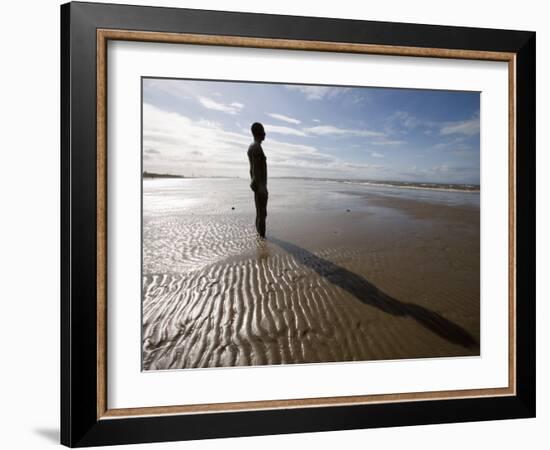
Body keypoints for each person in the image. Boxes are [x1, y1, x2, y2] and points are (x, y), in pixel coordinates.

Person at [247, 122, 268, 238]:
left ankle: (259, 236)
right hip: (260, 185)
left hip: (258, 184)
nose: (265, 134)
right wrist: (261, 188)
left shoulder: (253, 147)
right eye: (263, 131)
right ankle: (262, 239)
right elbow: (255, 169)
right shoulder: (256, 147)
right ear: (259, 133)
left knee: (259, 212)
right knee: (262, 213)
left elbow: (252, 170)